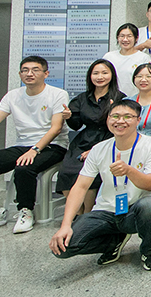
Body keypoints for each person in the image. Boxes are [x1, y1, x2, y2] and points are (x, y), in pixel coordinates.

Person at [49, 99, 151, 271]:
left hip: (136, 210)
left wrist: (128, 171)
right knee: (62, 248)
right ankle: (113, 242)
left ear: (138, 120)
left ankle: (149, 251)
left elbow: (150, 184)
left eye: (128, 117)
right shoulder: (98, 149)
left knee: (149, 205)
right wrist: (65, 225)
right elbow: (80, 187)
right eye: (115, 116)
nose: (120, 121)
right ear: (108, 119)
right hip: (106, 211)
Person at [0, 56, 69, 235]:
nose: (29, 74)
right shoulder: (13, 95)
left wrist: (35, 150)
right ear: (20, 74)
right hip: (22, 145)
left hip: (53, 145)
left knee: (24, 168)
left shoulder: (57, 94)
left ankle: (26, 210)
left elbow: (56, 129)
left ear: (46, 73)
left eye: (35, 70)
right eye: (25, 70)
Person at [57, 59, 124, 215]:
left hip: (109, 139)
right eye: (96, 73)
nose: (100, 77)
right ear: (90, 76)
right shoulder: (82, 98)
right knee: (66, 172)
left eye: (104, 73)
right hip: (84, 140)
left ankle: (88, 213)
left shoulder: (120, 98)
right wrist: (69, 117)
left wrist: (95, 150)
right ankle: (77, 213)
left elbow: (121, 126)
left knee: (91, 173)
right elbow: (76, 125)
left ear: (112, 75)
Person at [103, 23, 151, 98]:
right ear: (117, 38)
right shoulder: (109, 57)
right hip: (112, 98)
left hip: (135, 98)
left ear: (136, 38)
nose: (125, 39)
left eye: (129, 36)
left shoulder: (143, 58)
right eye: (122, 36)